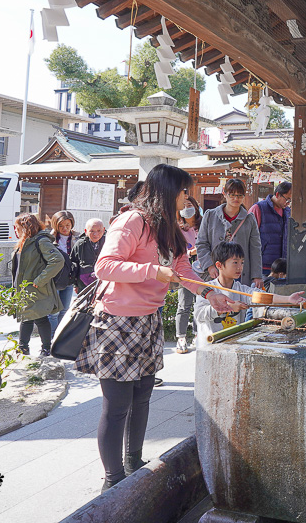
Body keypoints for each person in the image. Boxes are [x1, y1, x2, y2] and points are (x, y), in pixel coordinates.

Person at [76, 164, 242, 492]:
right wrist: (153, 271)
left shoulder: (170, 228)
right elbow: (104, 266)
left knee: (143, 397)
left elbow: (183, 269)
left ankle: (134, 461)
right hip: (118, 322)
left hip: (148, 321)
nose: (188, 198)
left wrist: (210, 293)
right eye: (183, 191)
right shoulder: (132, 220)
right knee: (118, 403)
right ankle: (113, 480)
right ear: (166, 191)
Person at [193, 243, 305, 347]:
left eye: (242, 262)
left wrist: (289, 299)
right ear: (219, 265)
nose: (240, 267)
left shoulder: (241, 289)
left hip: (233, 345)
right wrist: (229, 307)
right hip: (209, 346)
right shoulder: (207, 290)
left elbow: (263, 297)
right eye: (235, 262)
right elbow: (199, 314)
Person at [12, 214, 64, 356]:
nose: (15, 231)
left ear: (26, 228)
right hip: (25, 289)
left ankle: (45, 348)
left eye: (17, 228)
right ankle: (23, 348)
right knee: (26, 317)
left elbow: (57, 260)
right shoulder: (25, 242)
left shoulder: (40, 241)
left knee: (40, 318)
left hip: (36, 288)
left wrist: (40, 280)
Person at [196, 178, 263, 288]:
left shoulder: (249, 219)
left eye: (240, 195)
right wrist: (209, 266)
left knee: (239, 302)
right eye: (232, 195)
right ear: (224, 194)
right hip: (216, 272)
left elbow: (255, 248)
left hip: (240, 272)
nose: (236, 198)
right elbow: (201, 243)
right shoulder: (210, 215)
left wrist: (257, 275)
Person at [175, 196, 202, 354]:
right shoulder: (178, 229)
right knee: (184, 305)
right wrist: (189, 252)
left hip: (203, 270)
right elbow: (174, 250)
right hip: (185, 270)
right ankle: (181, 338)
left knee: (200, 303)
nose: (187, 208)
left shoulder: (203, 225)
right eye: (183, 205)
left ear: (196, 207)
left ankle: (198, 334)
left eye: (190, 204)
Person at [249, 181, 291, 277]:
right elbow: (248, 237)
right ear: (277, 194)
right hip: (262, 265)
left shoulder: (288, 212)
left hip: (281, 267)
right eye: (287, 199)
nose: (288, 203)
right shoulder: (258, 208)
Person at [48, 210, 78, 328]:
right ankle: (52, 339)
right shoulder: (49, 239)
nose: (65, 228)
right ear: (55, 225)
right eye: (61, 226)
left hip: (69, 278)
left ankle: (60, 339)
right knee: (53, 312)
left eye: (67, 225)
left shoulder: (78, 237)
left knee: (65, 310)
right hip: (54, 279)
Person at [71, 218, 105, 291]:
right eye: (92, 231)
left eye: (99, 231)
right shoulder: (80, 244)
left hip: (104, 283)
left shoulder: (108, 243)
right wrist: (75, 284)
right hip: (84, 283)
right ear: (86, 231)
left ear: (104, 230)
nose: (95, 234)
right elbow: (73, 264)